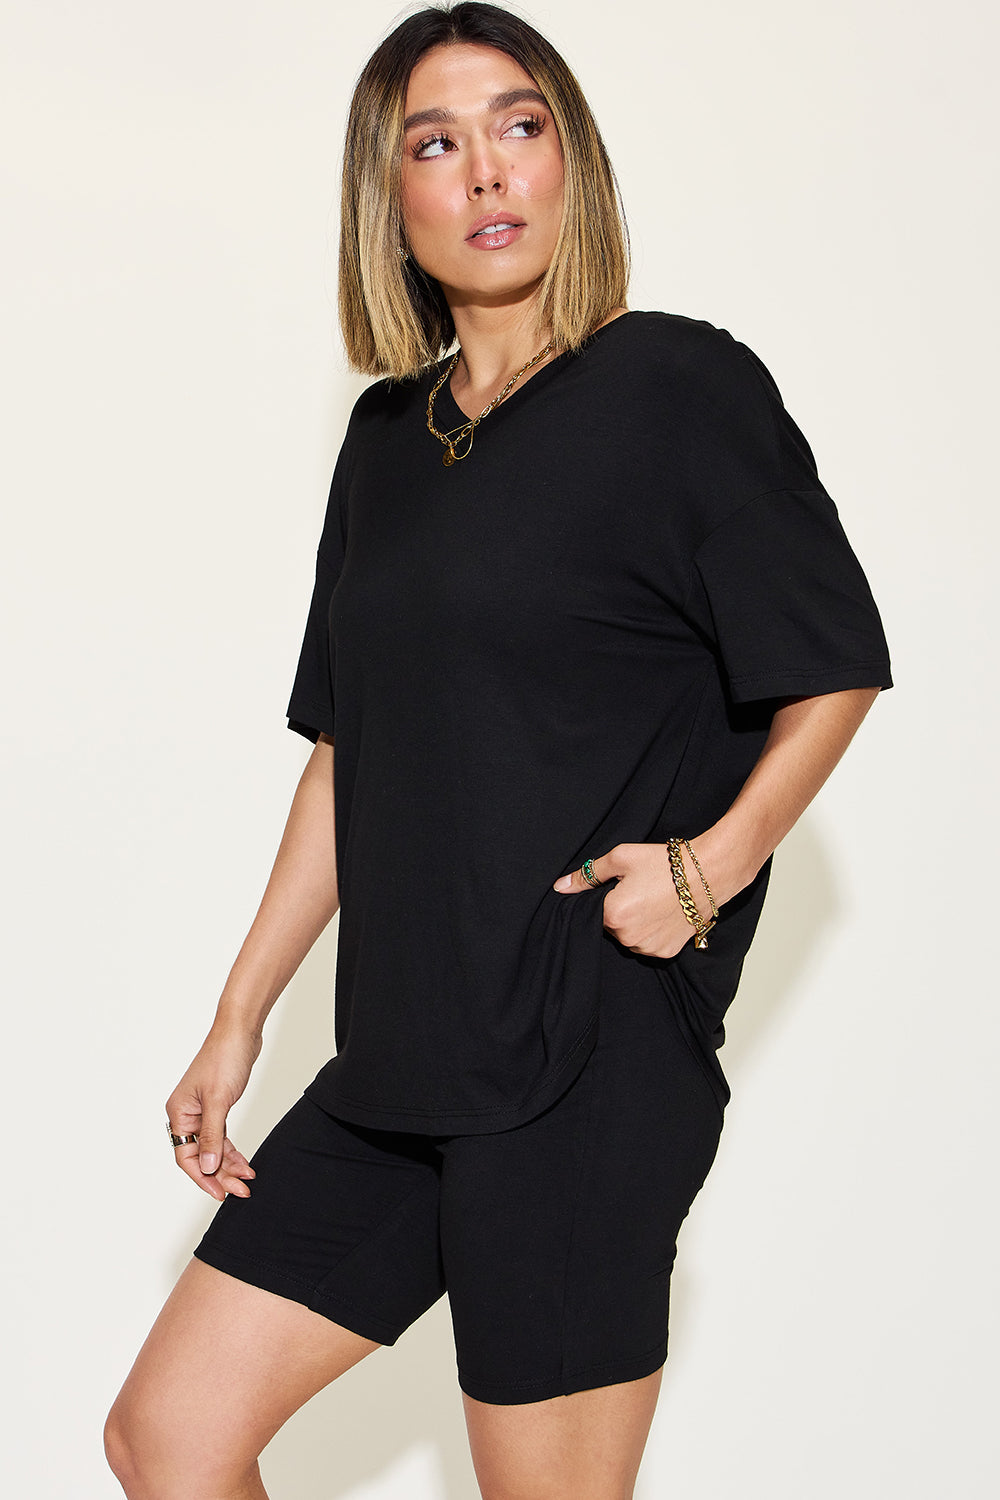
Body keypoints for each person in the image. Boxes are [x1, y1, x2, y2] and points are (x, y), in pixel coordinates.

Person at [104, 4, 892, 1497]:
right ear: (388, 199)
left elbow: (835, 667)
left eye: (520, 126)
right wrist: (238, 1018)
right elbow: (349, 754)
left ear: (573, 161)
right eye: (436, 142)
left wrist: (710, 868)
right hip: (401, 1052)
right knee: (170, 1437)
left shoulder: (676, 387)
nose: (486, 173)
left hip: (586, 1059)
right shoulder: (388, 442)